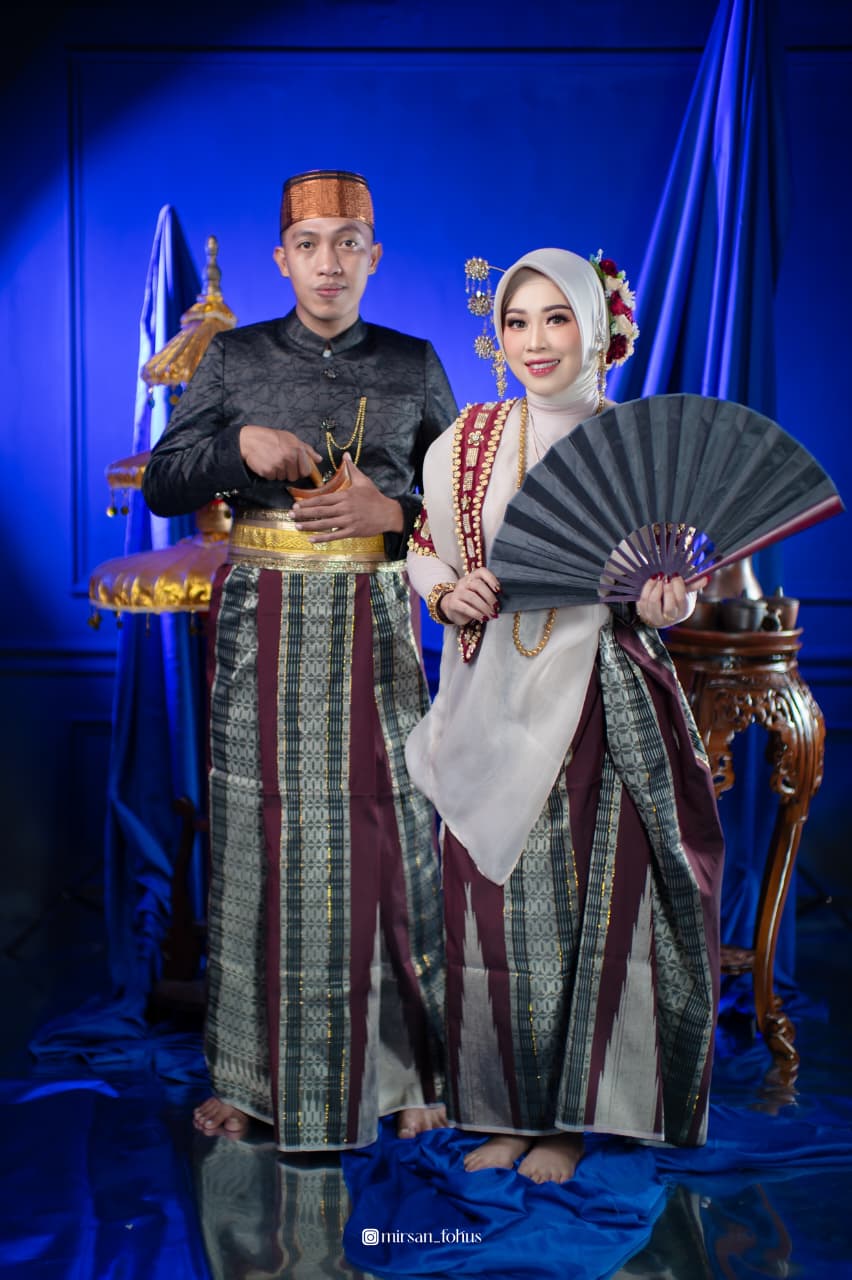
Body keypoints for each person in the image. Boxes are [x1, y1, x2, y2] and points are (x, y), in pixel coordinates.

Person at [142, 169, 457, 1151]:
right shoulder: (234, 358)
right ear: (282, 259)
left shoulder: (413, 363)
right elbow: (163, 483)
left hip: (375, 614)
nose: (330, 263)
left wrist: (392, 510)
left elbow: (469, 509)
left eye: (348, 244)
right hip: (262, 617)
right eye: (310, 244)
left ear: (374, 257)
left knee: (391, 834)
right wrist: (237, 447)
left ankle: (410, 1069)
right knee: (256, 836)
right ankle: (247, 1076)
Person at [405, 248, 724, 1184]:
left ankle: (572, 1121)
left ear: (598, 328)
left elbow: (679, 580)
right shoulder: (466, 441)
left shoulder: (638, 443)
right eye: (518, 321)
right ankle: (503, 1110)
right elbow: (423, 545)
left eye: (557, 318)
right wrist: (446, 590)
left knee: (591, 909)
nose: (536, 341)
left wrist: (670, 603)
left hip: (601, 697)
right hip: (488, 696)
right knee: (493, 913)